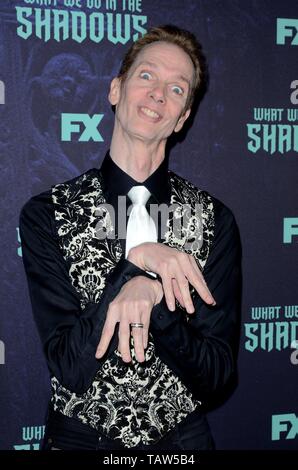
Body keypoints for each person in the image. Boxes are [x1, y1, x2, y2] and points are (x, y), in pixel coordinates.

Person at [20, 24, 241, 451]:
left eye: (177, 88)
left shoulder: (214, 219)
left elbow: (216, 378)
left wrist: (154, 296)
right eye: (146, 76)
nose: (159, 93)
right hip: (82, 444)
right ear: (115, 90)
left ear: (183, 117)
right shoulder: (48, 213)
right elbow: (69, 365)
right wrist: (136, 261)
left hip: (182, 445)